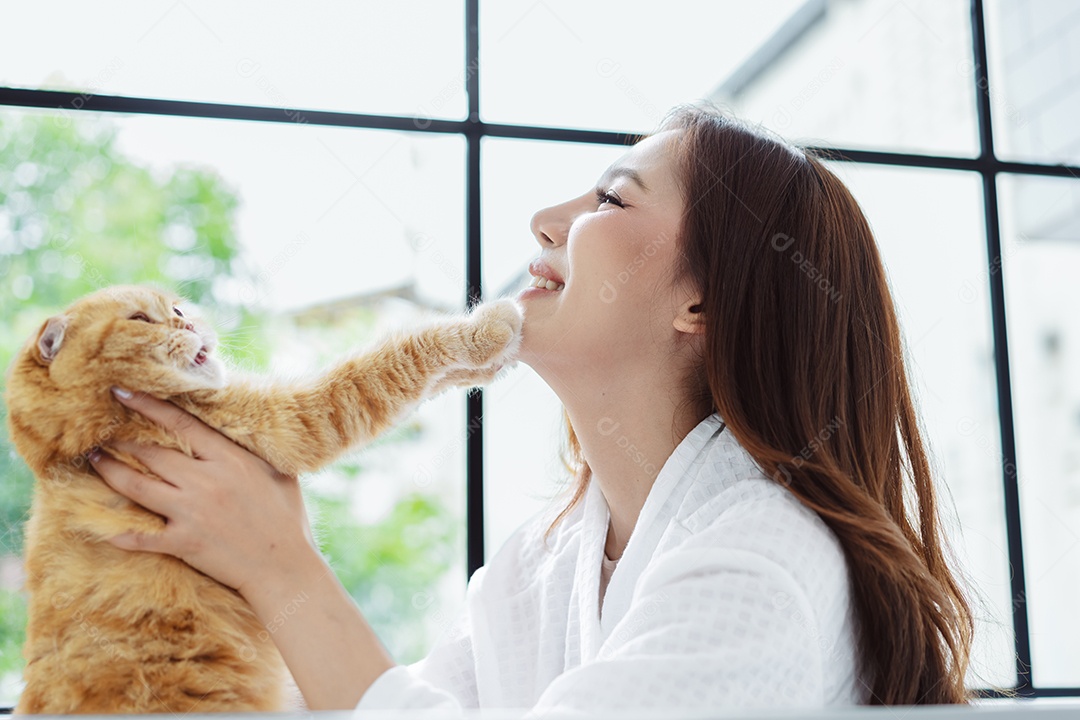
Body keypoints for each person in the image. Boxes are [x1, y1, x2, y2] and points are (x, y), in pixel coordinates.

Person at [90, 103, 974, 714]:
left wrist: (281, 566)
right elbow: (392, 707)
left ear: (699, 306)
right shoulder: (542, 565)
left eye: (612, 198)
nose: (546, 221)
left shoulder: (757, 568)